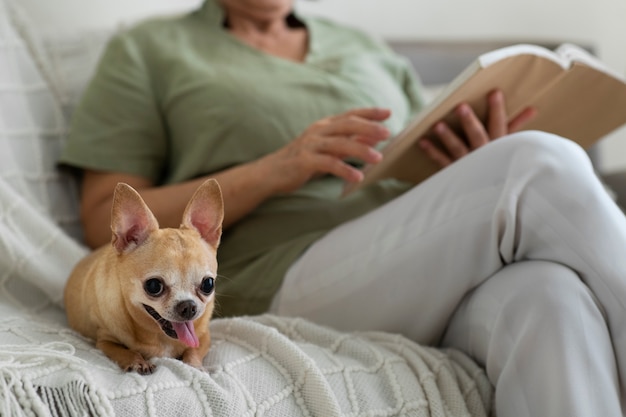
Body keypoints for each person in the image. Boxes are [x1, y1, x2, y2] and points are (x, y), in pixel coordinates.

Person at [59, 0, 626, 415]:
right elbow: (100, 220)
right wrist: (277, 167)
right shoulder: (148, 49)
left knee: (550, 296)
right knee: (535, 161)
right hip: (288, 272)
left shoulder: (365, 49)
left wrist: (469, 165)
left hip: (429, 260)